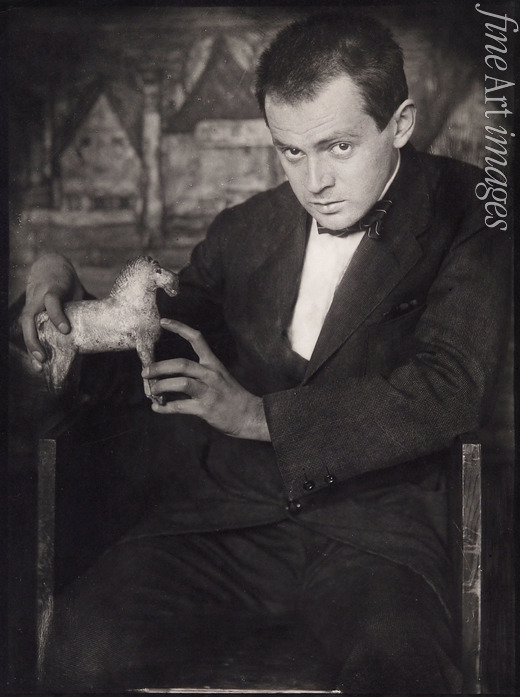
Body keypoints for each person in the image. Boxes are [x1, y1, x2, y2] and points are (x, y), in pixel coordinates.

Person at [17, 10, 510, 694]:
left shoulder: (473, 214)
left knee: (399, 669)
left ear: (400, 124)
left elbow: (447, 389)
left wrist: (258, 417)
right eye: (291, 152)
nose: (315, 182)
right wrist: (65, 297)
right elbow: (150, 344)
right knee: (79, 638)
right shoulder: (244, 229)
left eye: (339, 147)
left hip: (377, 538)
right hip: (228, 520)